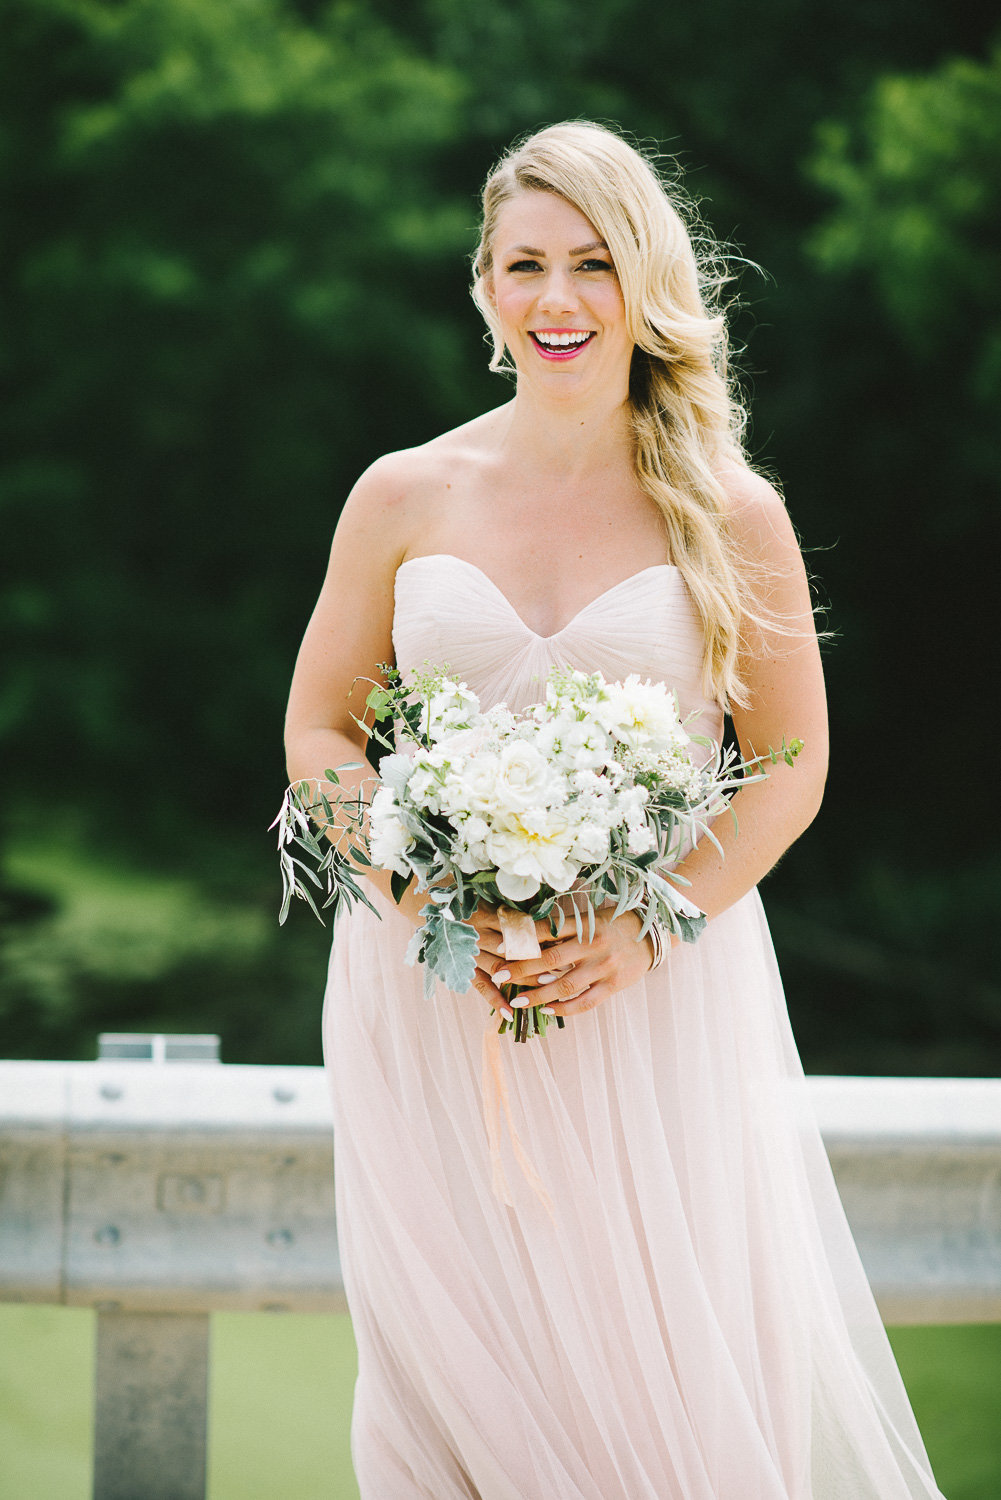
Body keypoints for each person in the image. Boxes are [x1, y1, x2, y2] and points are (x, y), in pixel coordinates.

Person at [284, 121, 944, 1499]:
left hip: (649, 1002)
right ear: (482, 289)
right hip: (430, 995)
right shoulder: (402, 493)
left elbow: (789, 764)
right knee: (455, 1395)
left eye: (592, 263)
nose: (557, 299)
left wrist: (646, 932)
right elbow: (320, 727)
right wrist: (415, 889)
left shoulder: (727, 511)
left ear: (645, 284)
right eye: (523, 264)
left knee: (651, 1420)